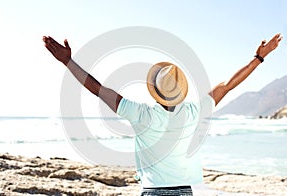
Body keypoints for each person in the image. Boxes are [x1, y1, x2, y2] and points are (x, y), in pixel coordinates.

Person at [43, 33, 282, 196]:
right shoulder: (193, 112)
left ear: (155, 90)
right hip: (184, 191)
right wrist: (259, 58)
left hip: (153, 192)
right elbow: (228, 85)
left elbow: (98, 89)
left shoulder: (140, 114)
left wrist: (68, 61)